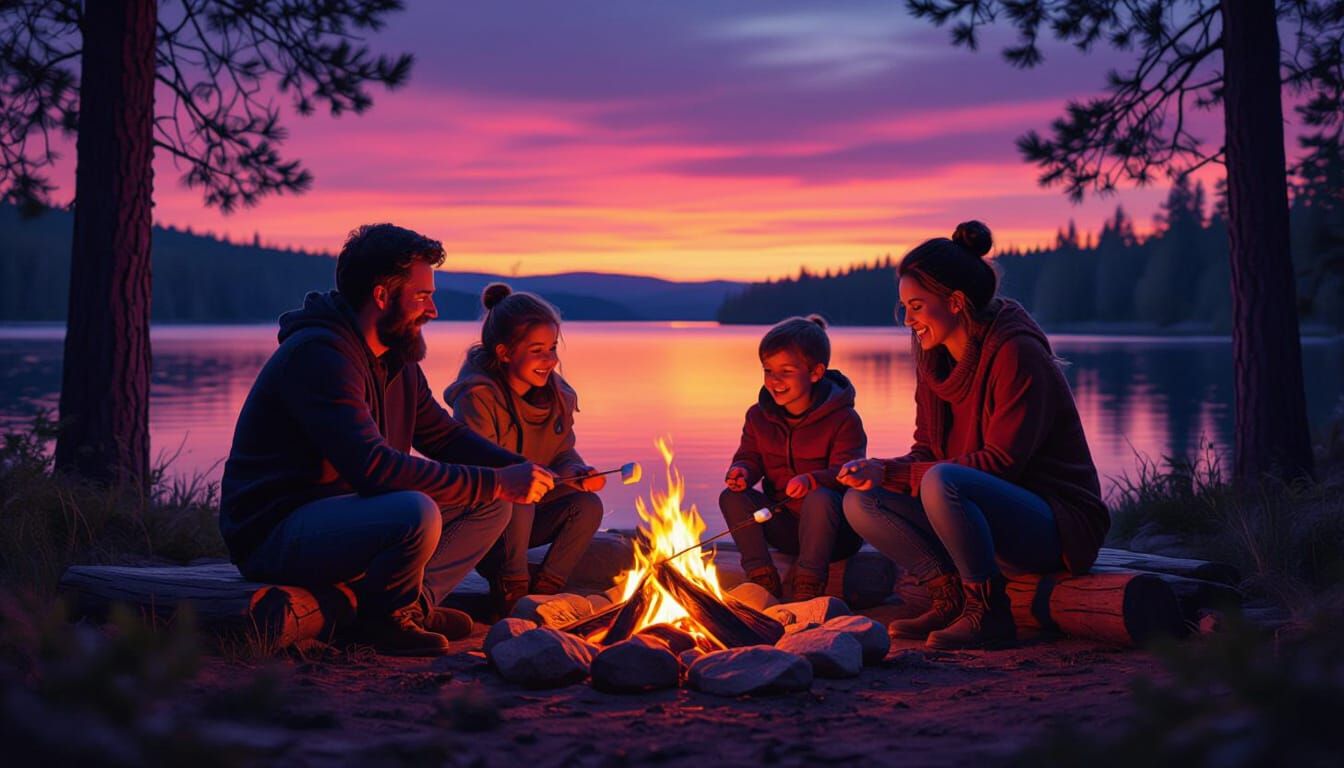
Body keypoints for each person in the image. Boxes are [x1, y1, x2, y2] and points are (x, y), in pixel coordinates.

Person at [219, 224, 555, 657]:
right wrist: (495, 480)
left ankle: (412, 607)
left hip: (344, 514)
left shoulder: (395, 358)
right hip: (276, 533)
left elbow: (444, 436)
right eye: (422, 296)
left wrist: (518, 471)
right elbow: (374, 468)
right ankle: (384, 621)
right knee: (414, 509)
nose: (432, 310)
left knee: (494, 501)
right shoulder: (321, 356)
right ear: (381, 296)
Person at [838, 221, 1109, 650]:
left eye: (917, 307)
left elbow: (1001, 463)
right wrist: (880, 472)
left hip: (1055, 524)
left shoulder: (1016, 353)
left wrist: (903, 474)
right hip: (977, 509)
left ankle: (988, 613)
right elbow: (926, 451)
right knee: (861, 499)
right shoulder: (933, 357)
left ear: (957, 302)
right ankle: (950, 599)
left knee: (940, 480)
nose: (908, 320)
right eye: (903, 308)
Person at [444, 284, 605, 617]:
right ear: (505, 353)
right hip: (484, 525)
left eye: (552, 348)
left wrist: (576, 472)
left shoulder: (558, 395)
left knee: (588, 505)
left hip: (528, 519)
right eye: (537, 350)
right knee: (519, 494)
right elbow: (479, 471)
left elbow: (562, 453)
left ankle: (545, 591)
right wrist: (531, 479)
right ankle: (510, 590)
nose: (550, 359)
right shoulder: (477, 398)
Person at [718, 315, 868, 601]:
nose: (774, 380)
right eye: (768, 370)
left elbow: (847, 473)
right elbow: (750, 457)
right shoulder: (758, 416)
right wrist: (742, 471)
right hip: (783, 524)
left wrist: (813, 480)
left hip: (835, 531)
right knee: (731, 497)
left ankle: (809, 583)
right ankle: (762, 577)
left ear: (815, 373)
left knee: (821, 497)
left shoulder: (844, 419)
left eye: (786, 371)